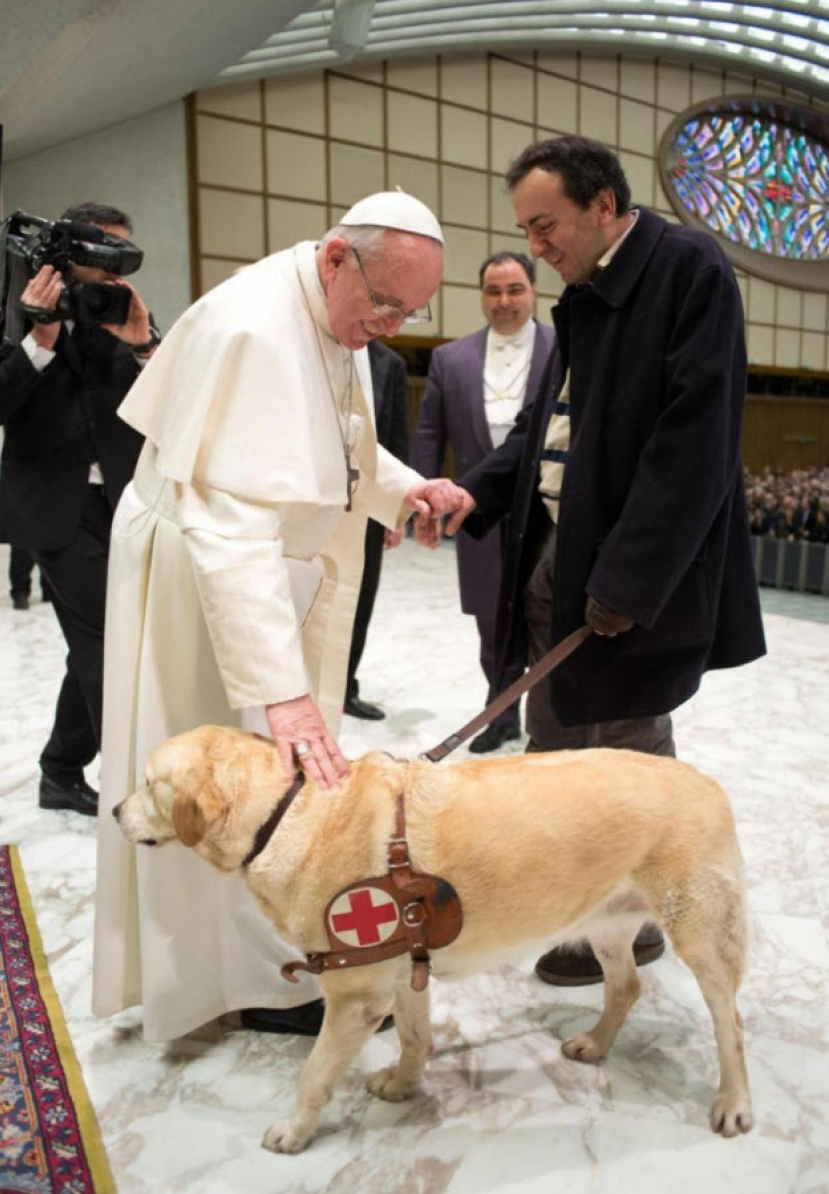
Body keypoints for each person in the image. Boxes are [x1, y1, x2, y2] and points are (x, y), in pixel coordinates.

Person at [92, 191, 459, 1042]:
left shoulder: (333, 317)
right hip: (201, 581)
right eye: (385, 303)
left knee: (261, 777)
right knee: (212, 779)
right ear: (337, 257)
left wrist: (407, 492)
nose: (393, 323)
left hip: (249, 580)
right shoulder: (255, 329)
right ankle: (215, 976)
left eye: (411, 310)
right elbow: (231, 531)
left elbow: (340, 445)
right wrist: (279, 693)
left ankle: (255, 956)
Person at [443, 136, 766, 984]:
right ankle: (573, 910)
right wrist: (477, 491)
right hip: (562, 551)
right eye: (525, 229)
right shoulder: (584, 294)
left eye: (545, 226)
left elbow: (692, 445)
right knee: (555, 746)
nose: (537, 246)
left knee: (624, 752)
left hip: (629, 570)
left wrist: (628, 579)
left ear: (602, 204)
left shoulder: (687, 272)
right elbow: (544, 430)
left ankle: (639, 923)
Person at [0, 202, 155, 814]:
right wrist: (38, 342)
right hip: (53, 511)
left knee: (93, 643)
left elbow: (168, 400)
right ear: (68, 256)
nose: (111, 270)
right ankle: (133, 784)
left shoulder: (125, 312)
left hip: (122, 504)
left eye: (120, 256)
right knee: (110, 645)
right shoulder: (16, 309)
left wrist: (145, 346)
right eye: (99, 256)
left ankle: (59, 770)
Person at [411, 252, 555, 752]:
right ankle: (500, 714)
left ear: (534, 291)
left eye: (514, 289)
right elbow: (429, 435)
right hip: (477, 512)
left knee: (547, 611)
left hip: (550, 511)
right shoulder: (451, 359)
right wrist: (419, 499)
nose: (504, 301)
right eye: (493, 291)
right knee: (492, 623)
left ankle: (552, 714)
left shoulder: (564, 348)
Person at [344, 338, 410, 720]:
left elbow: (396, 439)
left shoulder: (391, 364)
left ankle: (345, 687)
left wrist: (396, 510)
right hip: (309, 501)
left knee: (360, 598)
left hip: (367, 503)